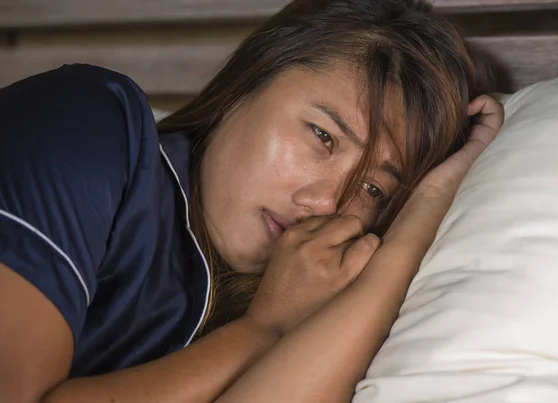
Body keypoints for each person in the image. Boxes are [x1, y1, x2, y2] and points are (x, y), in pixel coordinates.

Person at [0, 0, 504, 402]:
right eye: (323, 137)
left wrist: (423, 217)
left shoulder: (310, 295)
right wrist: (265, 329)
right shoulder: (89, 123)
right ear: (248, 84)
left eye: (375, 190)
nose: (325, 202)